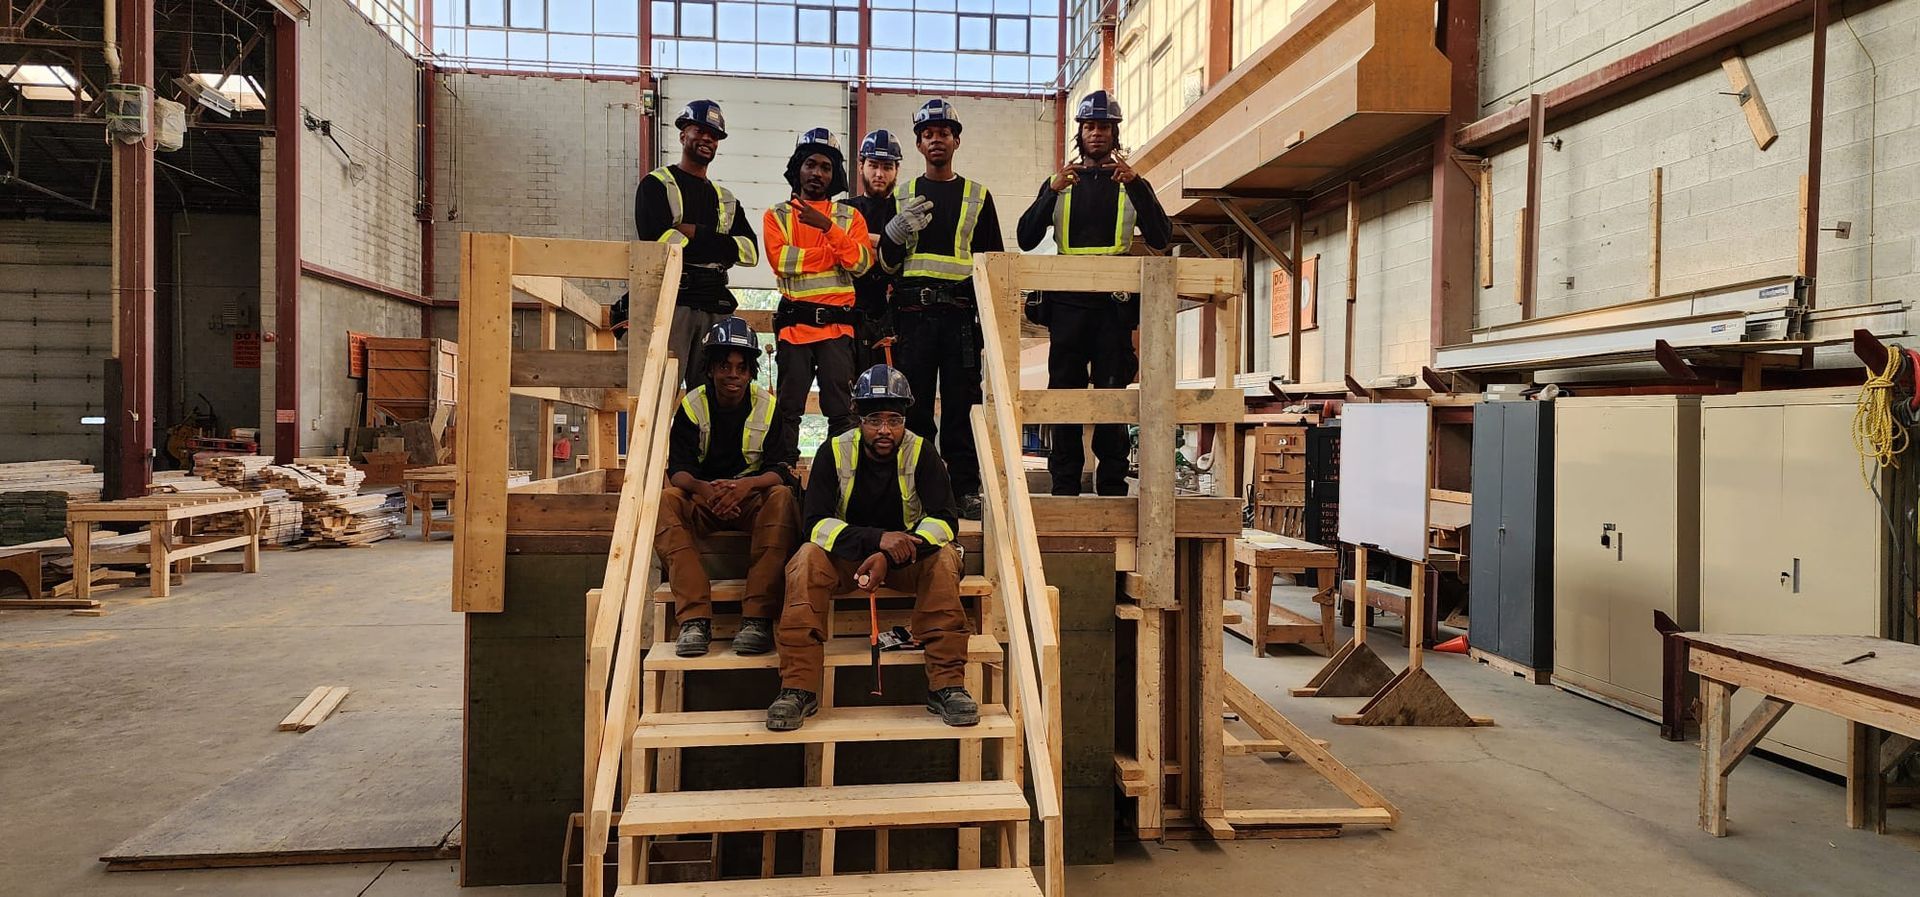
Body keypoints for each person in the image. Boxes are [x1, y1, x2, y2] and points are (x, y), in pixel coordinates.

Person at [770, 364, 978, 731]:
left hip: (905, 560)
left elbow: (945, 520)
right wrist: (876, 541)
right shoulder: (833, 452)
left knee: (945, 558)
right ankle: (797, 688)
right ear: (858, 418)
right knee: (805, 559)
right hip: (847, 561)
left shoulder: (922, 451)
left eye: (894, 420)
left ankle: (948, 685)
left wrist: (889, 553)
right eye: (875, 420)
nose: (885, 430)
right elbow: (814, 524)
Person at [1015, 90, 1171, 496]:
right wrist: (1050, 190)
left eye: (1104, 126)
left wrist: (1137, 186)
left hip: (1112, 310)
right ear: (1079, 133)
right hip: (1067, 307)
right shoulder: (1061, 184)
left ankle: (1113, 485)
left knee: (1113, 399)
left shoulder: (1131, 185)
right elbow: (1026, 238)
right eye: (1089, 126)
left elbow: (1161, 236)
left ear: (1114, 133)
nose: (1096, 133)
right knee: (1063, 399)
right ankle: (1064, 485)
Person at [879, 99, 1004, 521]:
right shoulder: (901, 195)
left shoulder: (977, 196)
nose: (936, 140)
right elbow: (885, 265)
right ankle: (914, 487)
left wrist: (989, 325)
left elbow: (993, 263)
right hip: (912, 316)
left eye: (943, 133)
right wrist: (892, 236)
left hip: (960, 318)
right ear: (918, 144)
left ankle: (965, 489)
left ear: (956, 140)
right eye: (928, 134)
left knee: (961, 406)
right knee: (912, 407)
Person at [655, 317, 800, 658]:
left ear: (750, 371)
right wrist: (708, 492)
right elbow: (678, 470)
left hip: (750, 500)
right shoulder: (692, 405)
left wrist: (744, 487)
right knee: (666, 500)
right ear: (710, 369)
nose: (732, 374)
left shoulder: (768, 406)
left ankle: (756, 619)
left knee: (780, 497)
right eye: (724, 366)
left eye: (740, 367)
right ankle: (693, 620)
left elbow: (780, 469)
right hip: (704, 498)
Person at [633, 100, 760, 390]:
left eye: (714, 135)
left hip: (715, 304)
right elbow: (660, 242)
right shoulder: (656, 185)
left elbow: (750, 252)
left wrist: (695, 233)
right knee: (659, 389)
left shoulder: (725, 198)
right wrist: (722, 246)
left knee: (714, 396)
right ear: (682, 135)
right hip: (674, 302)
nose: (707, 139)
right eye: (699, 130)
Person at [763, 127, 874, 457]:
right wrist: (834, 252)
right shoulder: (778, 215)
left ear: (834, 174)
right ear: (798, 167)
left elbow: (861, 263)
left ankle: (842, 475)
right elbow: (782, 261)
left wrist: (826, 227)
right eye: (810, 164)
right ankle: (781, 475)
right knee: (788, 409)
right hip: (794, 329)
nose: (817, 173)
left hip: (837, 330)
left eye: (825, 167)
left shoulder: (848, 216)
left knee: (842, 411)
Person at [845, 129, 905, 372]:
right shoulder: (844, 210)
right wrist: (887, 241)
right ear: (861, 166)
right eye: (873, 165)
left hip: (892, 318)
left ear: (896, 170)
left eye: (887, 167)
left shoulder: (903, 212)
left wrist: (863, 241)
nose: (879, 173)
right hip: (849, 316)